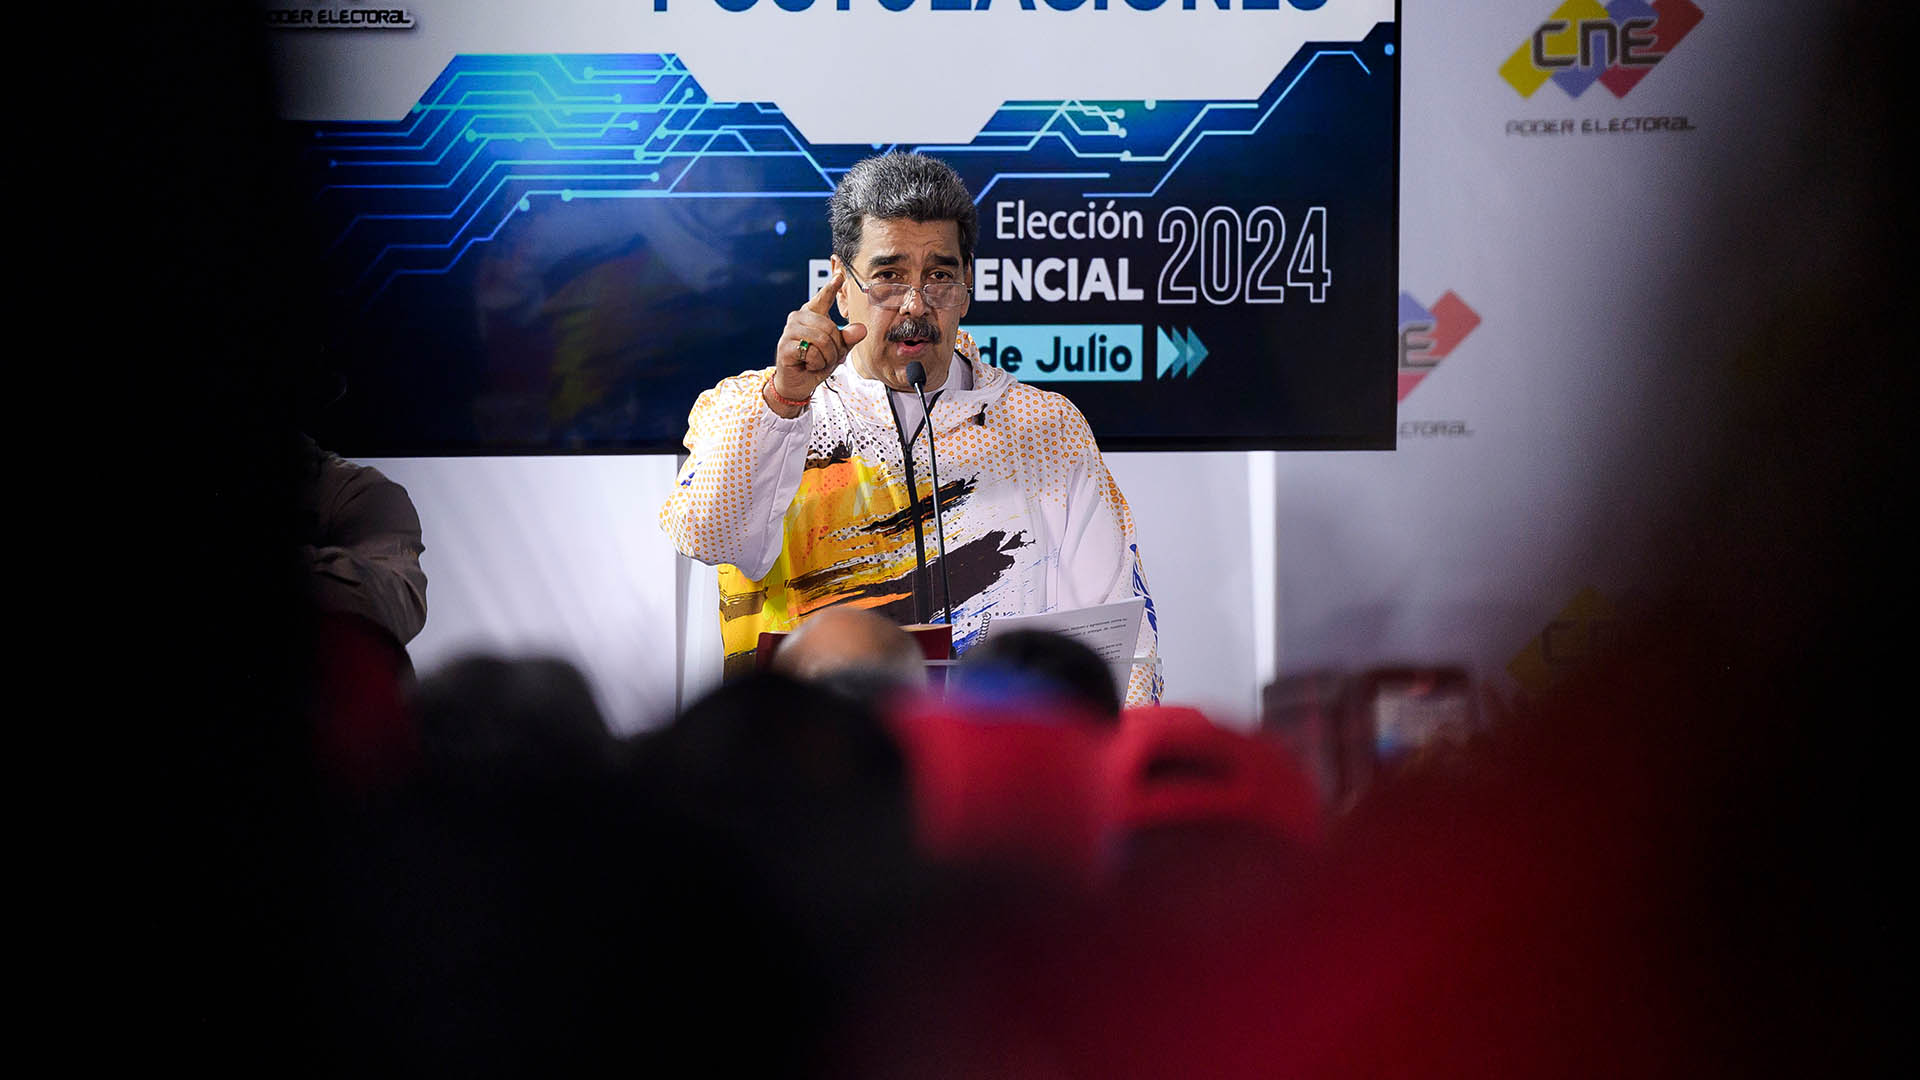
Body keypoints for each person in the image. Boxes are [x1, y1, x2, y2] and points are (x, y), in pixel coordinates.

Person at [660, 152, 1161, 704]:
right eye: (889, 277)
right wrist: (785, 401)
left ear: (967, 286)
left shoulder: (1044, 428)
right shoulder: (750, 409)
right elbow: (708, 537)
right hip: (812, 771)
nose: (915, 305)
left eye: (940, 276)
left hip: (988, 772)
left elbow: (1119, 645)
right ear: (840, 285)